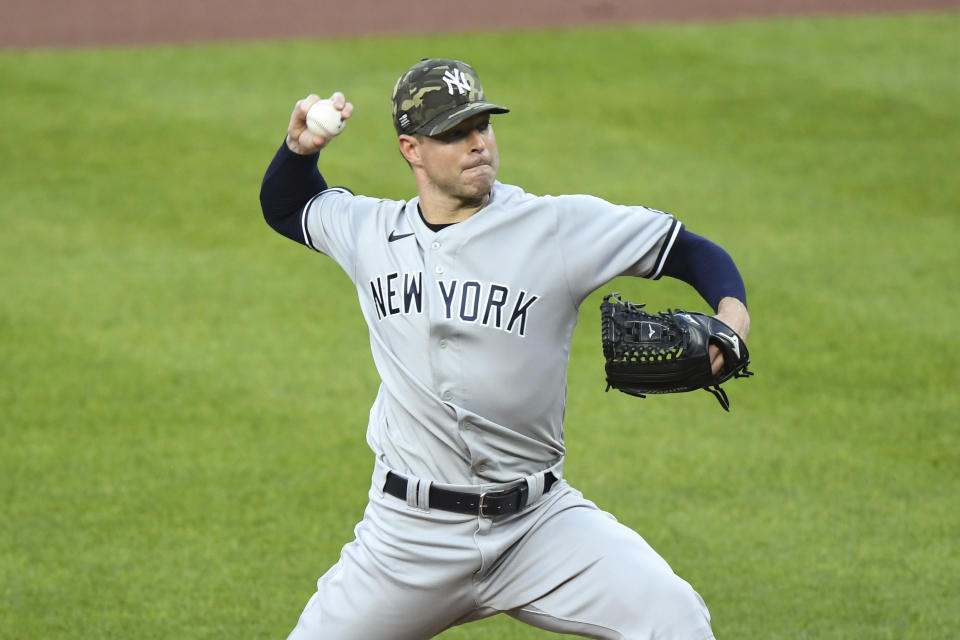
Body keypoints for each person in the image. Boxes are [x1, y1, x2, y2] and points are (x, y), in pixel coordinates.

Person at [260, 58, 750, 640]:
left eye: (482, 127)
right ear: (411, 149)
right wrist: (301, 151)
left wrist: (731, 322)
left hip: (537, 526)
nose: (476, 144)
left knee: (673, 615)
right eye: (453, 134)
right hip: (408, 539)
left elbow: (688, 251)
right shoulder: (371, 232)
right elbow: (287, 207)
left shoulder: (554, 228)